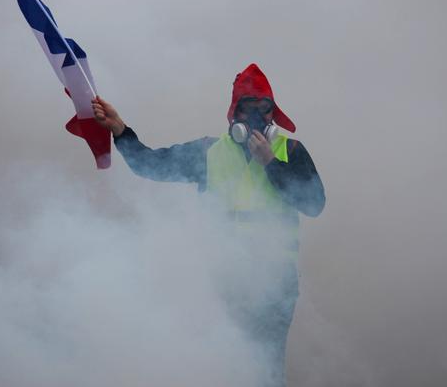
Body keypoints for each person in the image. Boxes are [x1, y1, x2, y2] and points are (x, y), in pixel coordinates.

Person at [92, 63, 325, 386]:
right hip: (225, 285)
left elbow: (314, 204)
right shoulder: (208, 153)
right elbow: (149, 165)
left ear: (274, 115)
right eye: (249, 109)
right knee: (226, 368)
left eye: (265, 109)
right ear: (234, 116)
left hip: (275, 289)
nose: (258, 117)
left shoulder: (291, 151)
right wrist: (119, 129)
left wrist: (271, 163)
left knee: (265, 374)